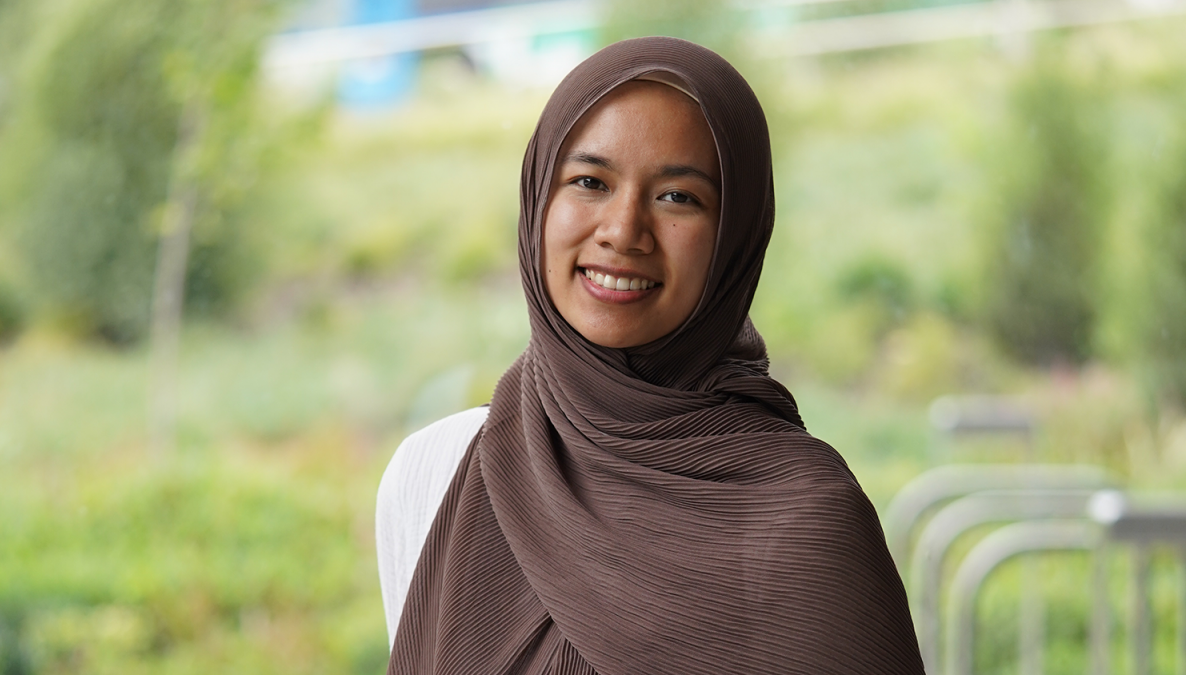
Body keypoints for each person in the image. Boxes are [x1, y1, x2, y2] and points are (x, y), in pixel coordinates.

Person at [376, 36, 924, 674]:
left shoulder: (802, 523)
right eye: (588, 182)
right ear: (537, 203)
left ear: (735, 237)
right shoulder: (434, 473)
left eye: (677, 197)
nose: (622, 231)